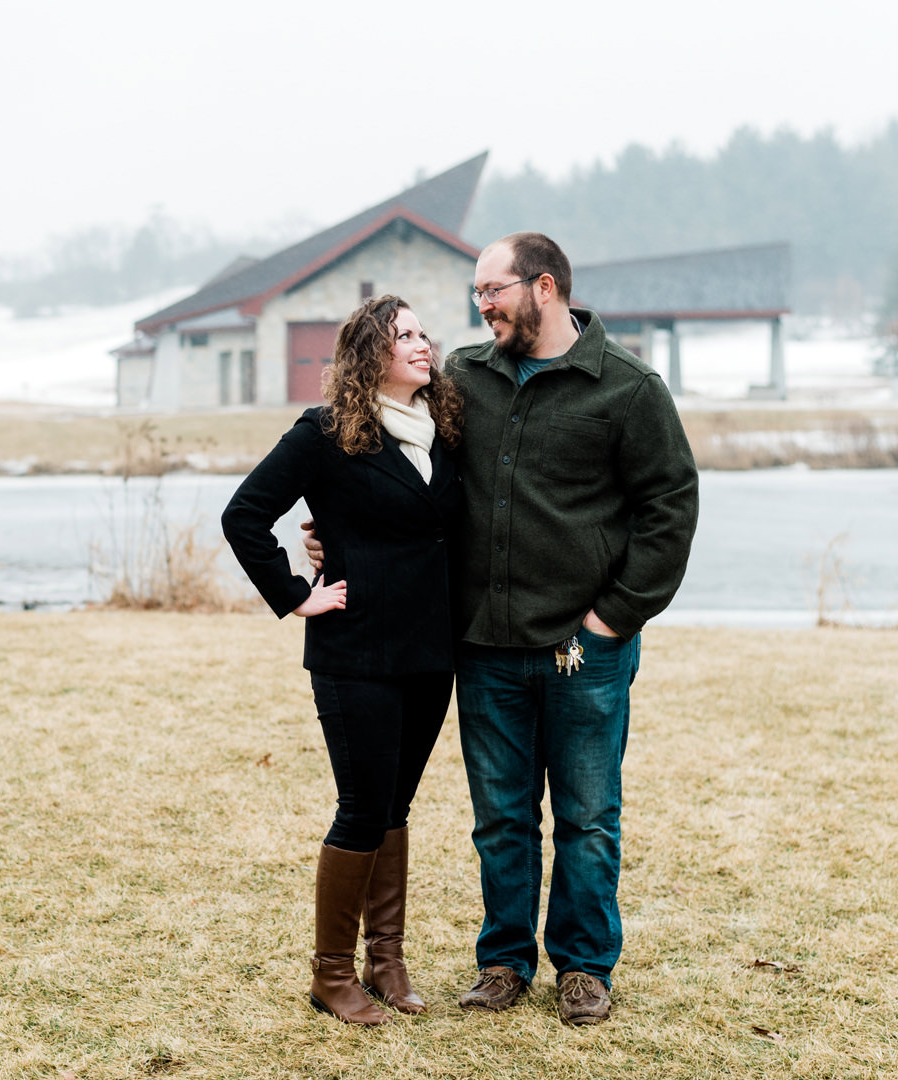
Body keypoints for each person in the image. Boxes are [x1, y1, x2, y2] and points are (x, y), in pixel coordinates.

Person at [305, 233, 699, 1025]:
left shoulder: (627, 388)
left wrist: (610, 619)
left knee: (587, 816)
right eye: (477, 293)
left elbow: (671, 510)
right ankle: (504, 962)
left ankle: (585, 969)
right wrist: (336, 536)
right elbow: (396, 462)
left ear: (544, 287)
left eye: (494, 290)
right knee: (502, 818)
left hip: (584, 648)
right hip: (483, 645)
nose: (481, 305)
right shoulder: (465, 380)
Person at [221, 295, 465, 1026]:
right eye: (406, 336)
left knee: (395, 807)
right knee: (361, 808)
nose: (424, 345)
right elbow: (244, 514)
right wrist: (298, 594)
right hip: (356, 652)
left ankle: (385, 961)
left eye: (424, 333)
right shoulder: (325, 433)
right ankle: (332, 976)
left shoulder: (445, 430)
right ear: (371, 354)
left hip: (431, 651)